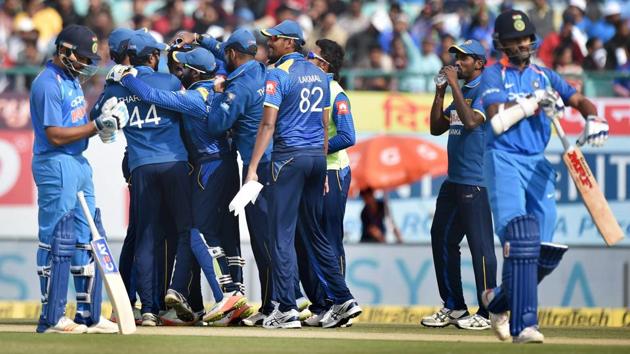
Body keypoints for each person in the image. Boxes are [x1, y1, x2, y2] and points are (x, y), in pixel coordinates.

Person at [479, 10, 609, 343]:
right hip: (504, 159)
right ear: (502, 43)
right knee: (520, 238)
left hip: (537, 163)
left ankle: (498, 300)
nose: (521, 44)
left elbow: (579, 99)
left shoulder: (545, 75)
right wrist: (534, 103)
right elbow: (495, 121)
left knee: (545, 251)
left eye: (525, 39)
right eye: (514, 40)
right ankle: (525, 325)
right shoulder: (493, 75)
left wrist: (595, 119)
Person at [110, 44, 249, 324]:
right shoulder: (212, 90)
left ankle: (227, 294)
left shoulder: (194, 98)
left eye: (185, 66)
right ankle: (186, 294)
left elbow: (151, 95)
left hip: (208, 167)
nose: (180, 70)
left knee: (196, 230)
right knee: (211, 231)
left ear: (196, 73)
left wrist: (126, 77)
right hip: (224, 164)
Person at [245, 20, 362, 329]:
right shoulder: (321, 76)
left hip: (288, 159)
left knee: (281, 235)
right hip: (315, 161)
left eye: (275, 39)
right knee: (314, 233)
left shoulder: (277, 74)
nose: (269, 43)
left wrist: (254, 167)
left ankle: (285, 308)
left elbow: (268, 125)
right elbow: (324, 126)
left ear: (291, 43)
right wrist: (321, 169)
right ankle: (343, 298)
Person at [172, 28, 276, 326]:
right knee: (244, 234)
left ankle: (232, 295)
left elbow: (217, 124)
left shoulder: (229, 89)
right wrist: (200, 38)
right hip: (248, 164)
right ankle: (254, 297)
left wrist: (218, 96)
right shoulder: (258, 68)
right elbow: (224, 52)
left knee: (203, 231)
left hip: (246, 166)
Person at [92, 30, 193, 326]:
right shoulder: (171, 81)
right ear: (152, 57)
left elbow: (95, 116)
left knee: (145, 237)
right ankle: (175, 293)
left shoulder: (116, 88)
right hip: (175, 163)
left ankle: (148, 309)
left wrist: (111, 86)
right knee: (186, 230)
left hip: (140, 167)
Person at [31, 24, 126, 334]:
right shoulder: (47, 83)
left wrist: (104, 126)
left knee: (87, 237)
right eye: (83, 57)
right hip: (55, 163)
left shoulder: (71, 80)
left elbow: (77, 126)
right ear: (64, 51)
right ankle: (52, 316)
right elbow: (55, 135)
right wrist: (95, 126)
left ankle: (88, 314)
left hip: (78, 162)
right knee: (57, 236)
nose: (87, 63)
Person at [423, 39, 497, 331]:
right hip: (454, 181)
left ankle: (490, 311)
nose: (457, 63)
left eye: (464, 58)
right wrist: (440, 92)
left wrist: (452, 83)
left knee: (480, 247)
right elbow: (436, 127)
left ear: (479, 63)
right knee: (441, 239)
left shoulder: (486, 90)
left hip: (476, 182)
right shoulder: (462, 91)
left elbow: (469, 123)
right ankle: (454, 305)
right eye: (456, 57)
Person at [300, 39, 357, 327]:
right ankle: (322, 305)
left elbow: (348, 136)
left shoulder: (335, 92)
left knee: (329, 238)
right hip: (314, 172)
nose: (304, 59)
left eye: (310, 56)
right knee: (308, 239)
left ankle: (339, 304)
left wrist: (315, 150)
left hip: (333, 171)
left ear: (323, 64)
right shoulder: (308, 88)